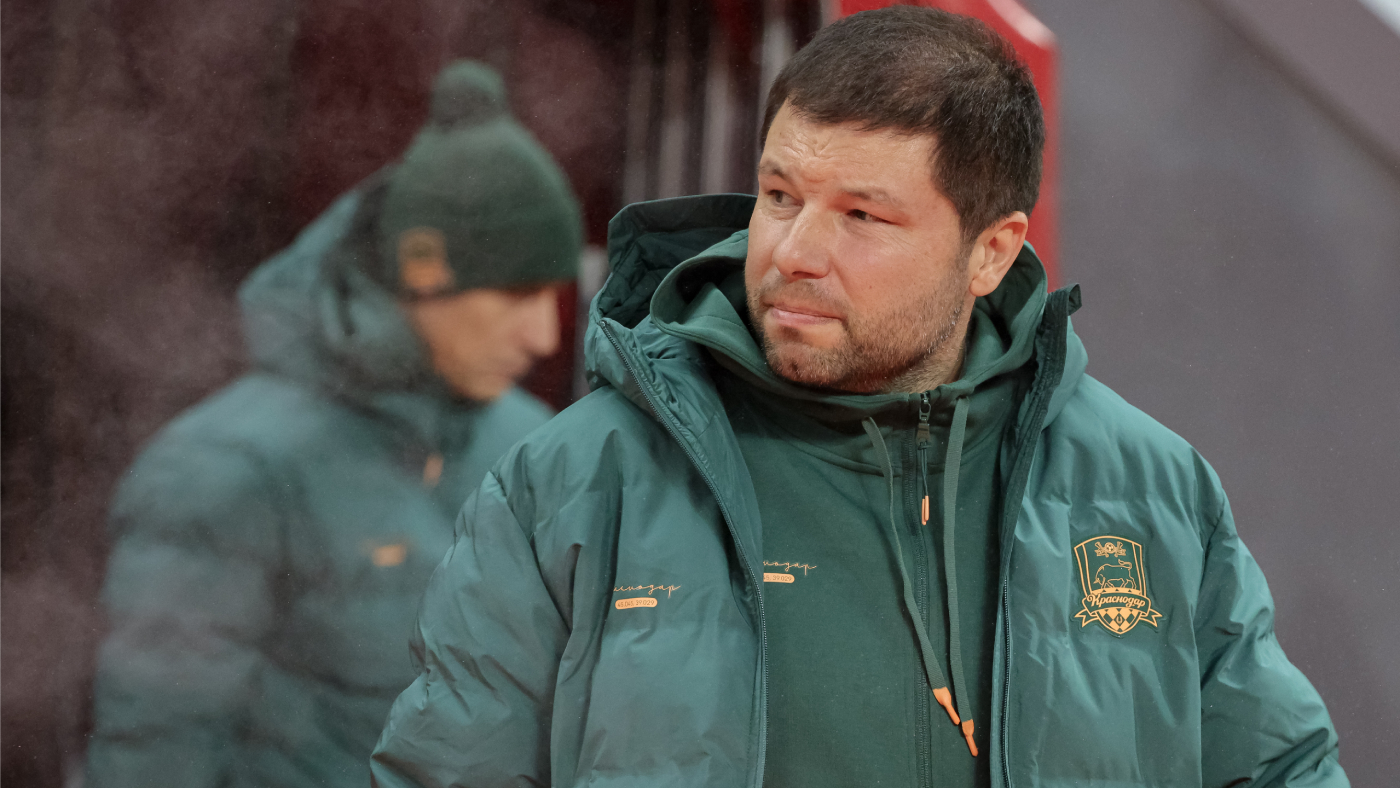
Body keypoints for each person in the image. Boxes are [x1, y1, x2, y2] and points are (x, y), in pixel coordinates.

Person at [371, 9, 1347, 788]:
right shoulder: (573, 485)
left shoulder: (1147, 492)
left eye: (862, 215)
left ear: (990, 251)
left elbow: (1281, 766)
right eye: (780, 196)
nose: (793, 252)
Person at [84, 61, 581, 788]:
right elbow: (155, 744)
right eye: (514, 295)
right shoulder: (229, 468)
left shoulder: (534, 445)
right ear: (423, 272)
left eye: (554, 295)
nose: (544, 335)